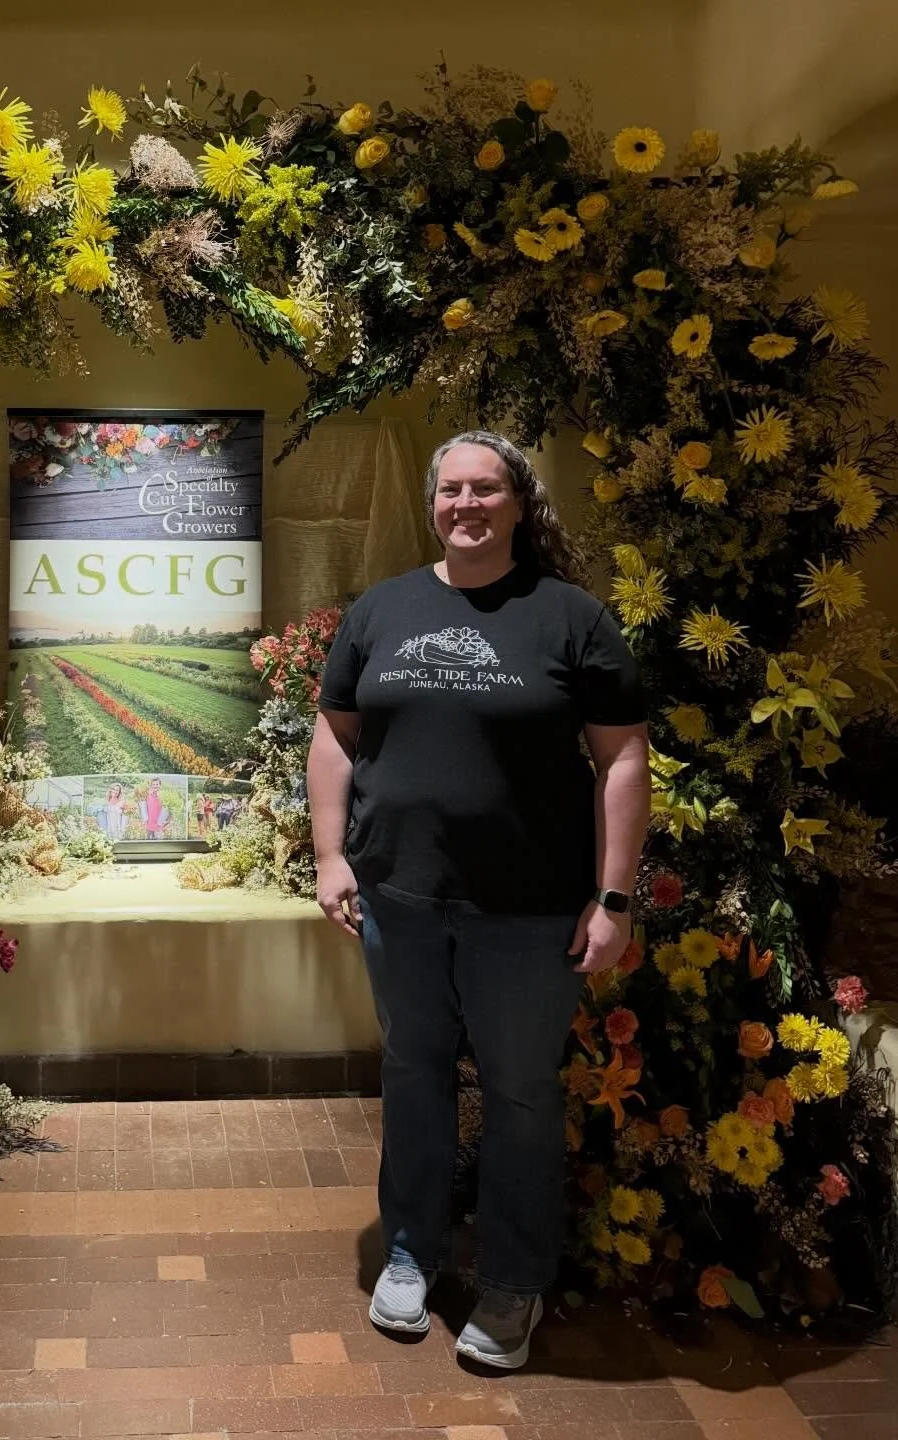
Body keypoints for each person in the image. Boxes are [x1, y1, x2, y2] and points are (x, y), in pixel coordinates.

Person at [308, 431, 649, 1371]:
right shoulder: (383, 609)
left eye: (485, 489)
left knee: (520, 1094)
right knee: (414, 1073)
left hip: (529, 911)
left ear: (518, 503)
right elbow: (336, 736)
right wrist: (331, 855)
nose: (466, 504)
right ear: (433, 504)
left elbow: (622, 759)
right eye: (451, 490)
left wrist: (612, 898)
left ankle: (513, 1277)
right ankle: (411, 1251)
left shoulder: (568, 617)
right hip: (399, 901)